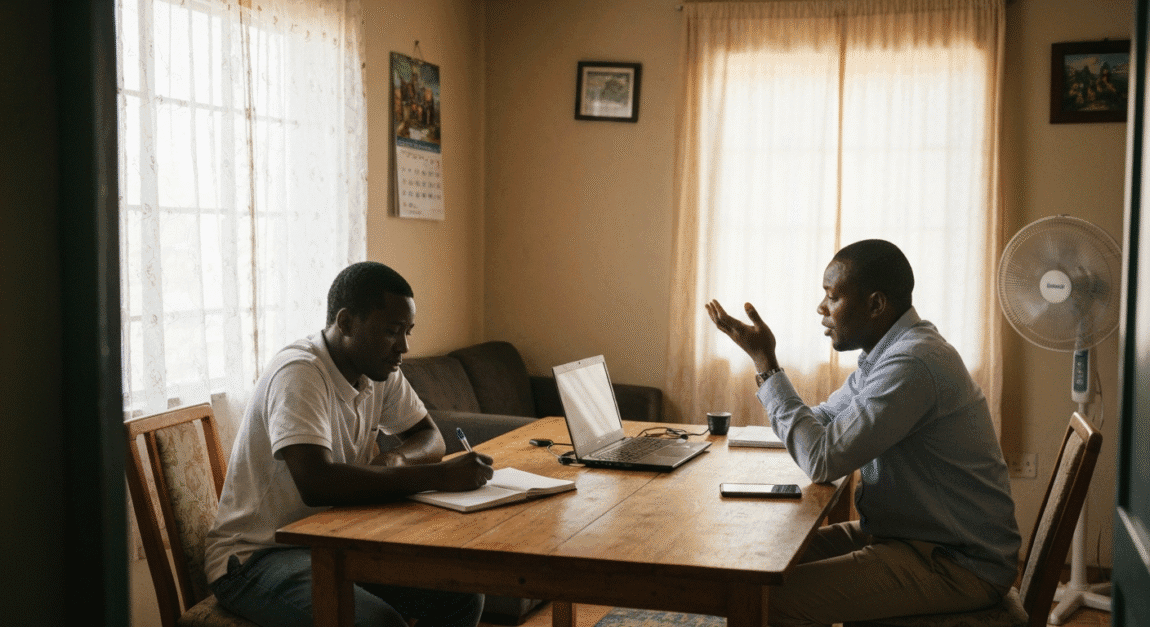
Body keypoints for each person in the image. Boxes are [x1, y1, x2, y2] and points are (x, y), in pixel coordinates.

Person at [706, 239, 1021, 626]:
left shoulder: (912, 364)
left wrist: (766, 363)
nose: (821, 308)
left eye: (832, 296)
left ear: (876, 304)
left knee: (770, 601)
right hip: (907, 537)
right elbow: (822, 420)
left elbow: (823, 459)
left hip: (957, 563)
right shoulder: (887, 355)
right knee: (756, 565)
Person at [205, 261, 494, 627]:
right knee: (379, 624)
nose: (403, 347)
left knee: (461, 596)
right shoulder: (300, 373)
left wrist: (398, 461)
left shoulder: (379, 368)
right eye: (391, 331)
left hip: (336, 542)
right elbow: (316, 483)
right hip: (259, 556)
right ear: (345, 323)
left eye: (408, 331)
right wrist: (437, 476)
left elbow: (429, 437)